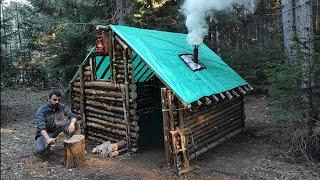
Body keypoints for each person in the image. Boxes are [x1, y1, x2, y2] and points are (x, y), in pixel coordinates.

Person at [34, 90, 80, 154]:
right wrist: (48, 139)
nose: (57, 102)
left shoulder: (61, 106)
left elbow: (73, 115)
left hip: (57, 129)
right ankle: (46, 145)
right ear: (49, 99)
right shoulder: (41, 111)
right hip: (45, 133)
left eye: (59, 100)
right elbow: (42, 128)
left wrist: (72, 124)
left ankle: (75, 144)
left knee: (75, 123)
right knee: (40, 150)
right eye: (54, 100)